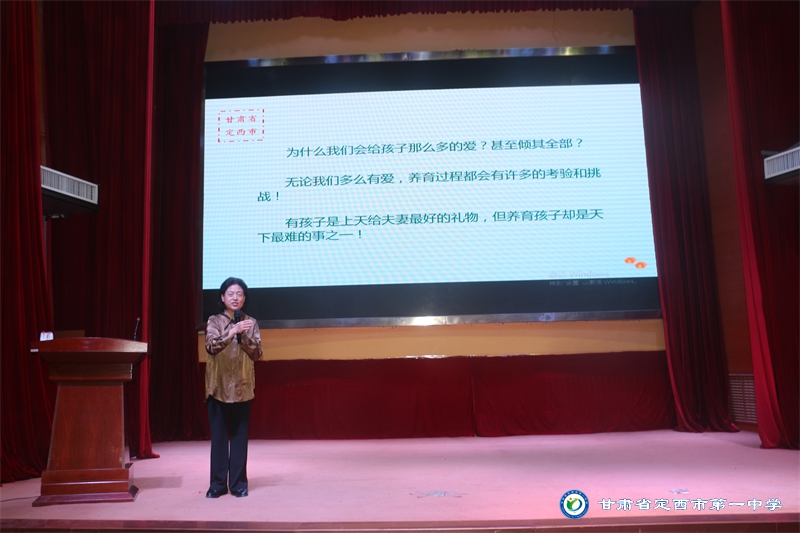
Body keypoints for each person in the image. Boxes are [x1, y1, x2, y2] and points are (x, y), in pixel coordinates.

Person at [204, 277, 263, 498]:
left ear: (244, 298)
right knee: (219, 438)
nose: (235, 298)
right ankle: (217, 484)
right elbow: (211, 346)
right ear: (222, 297)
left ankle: (238, 484)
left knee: (239, 438)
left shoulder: (251, 323)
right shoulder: (214, 321)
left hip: (242, 386)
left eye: (239, 294)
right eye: (230, 294)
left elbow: (257, 353)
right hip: (217, 386)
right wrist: (231, 332)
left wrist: (243, 335)